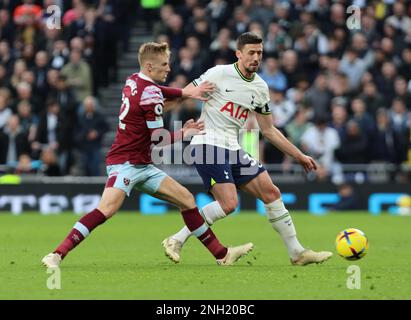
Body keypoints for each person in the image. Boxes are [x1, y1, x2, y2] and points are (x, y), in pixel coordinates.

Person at [42, 42, 253, 268]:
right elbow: (158, 139)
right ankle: (56, 254)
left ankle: (222, 255)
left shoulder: (133, 80)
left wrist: (184, 92)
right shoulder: (151, 94)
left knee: (187, 200)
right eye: (164, 65)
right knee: (106, 210)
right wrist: (185, 131)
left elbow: (160, 91)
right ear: (150, 67)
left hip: (143, 165)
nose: (168, 69)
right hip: (125, 163)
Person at [162, 32, 333, 266]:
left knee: (271, 193)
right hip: (207, 144)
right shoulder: (219, 73)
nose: (256, 57)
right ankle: (177, 239)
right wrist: (155, 110)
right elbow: (184, 95)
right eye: (251, 52)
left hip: (232, 146)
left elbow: (269, 130)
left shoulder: (261, 88)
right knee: (229, 204)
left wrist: (299, 155)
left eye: (259, 53)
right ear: (238, 53)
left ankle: (297, 253)